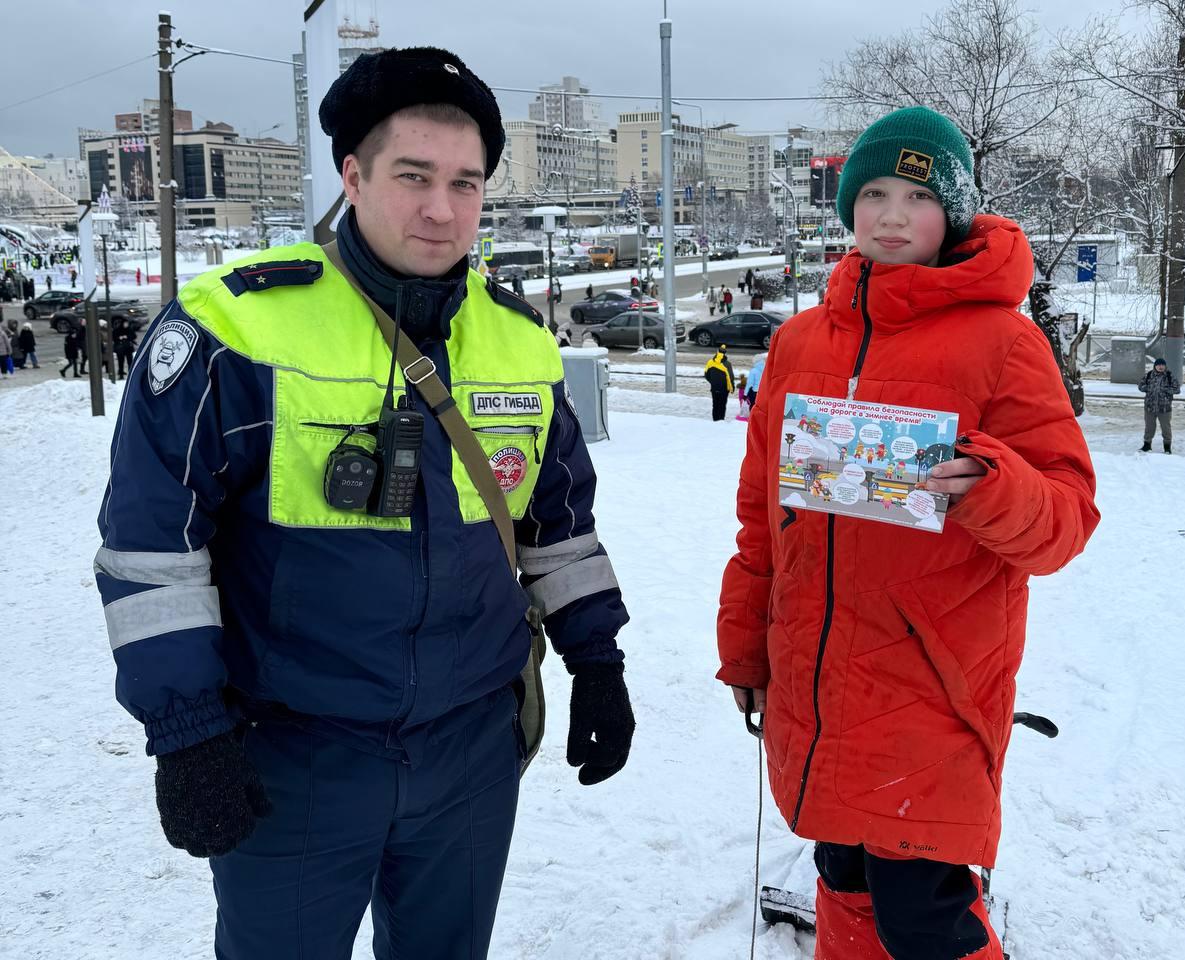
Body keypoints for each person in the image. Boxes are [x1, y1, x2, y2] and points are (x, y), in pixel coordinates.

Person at [94, 46, 634, 960]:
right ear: (353, 175)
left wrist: (598, 661)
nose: (441, 208)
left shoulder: (520, 346)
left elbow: (560, 530)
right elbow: (153, 551)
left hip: (469, 754)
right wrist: (187, 730)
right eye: (413, 176)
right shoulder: (234, 329)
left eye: (466, 183)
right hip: (292, 752)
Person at [716, 106, 1099, 960]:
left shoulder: (1004, 342)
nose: (892, 215)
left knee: (924, 913)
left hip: (932, 683)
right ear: (848, 207)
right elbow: (761, 521)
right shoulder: (799, 341)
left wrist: (990, 485)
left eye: (919, 197)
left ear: (953, 213)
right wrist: (745, 650)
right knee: (844, 877)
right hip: (815, 682)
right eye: (875, 192)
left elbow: (1066, 519)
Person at [1138, 357, 1178, 453]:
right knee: (1149, 427)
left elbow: (1177, 389)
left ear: (1165, 366)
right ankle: (1147, 445)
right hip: (1149, 407)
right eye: (1158, 365)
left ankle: (1167, 447)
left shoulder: (1169, 376)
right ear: (1155, 366)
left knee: (1166, 428)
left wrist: (1167, 390)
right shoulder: (1149, 375)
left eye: (1162, 365)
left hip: (1164, 408)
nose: (1160, 367)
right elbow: (1140, 386)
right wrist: (1146, 388)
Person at [704, 343, 734, 421]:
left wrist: (712, 382)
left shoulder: (710, 362)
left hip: (714, 388)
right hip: (724, 389)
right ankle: (721, 420)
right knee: (722, 405)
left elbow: (706, 374)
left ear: (717, 352)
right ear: (725, 353)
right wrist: (732, 387)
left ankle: (715, 419)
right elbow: (731, 377)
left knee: (715, 404)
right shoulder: (727, 364)